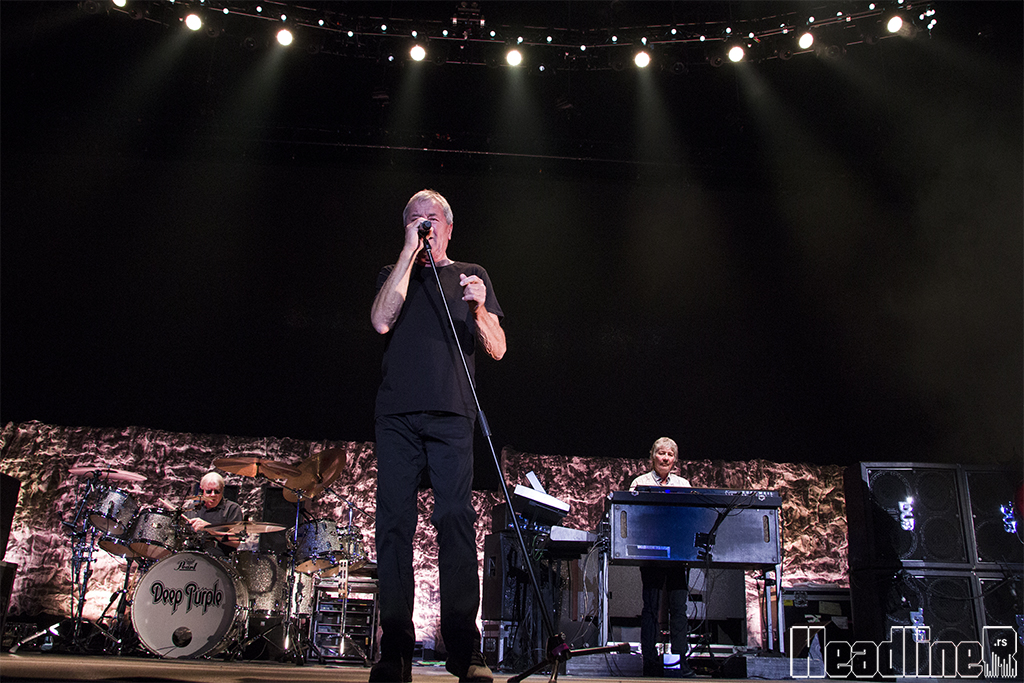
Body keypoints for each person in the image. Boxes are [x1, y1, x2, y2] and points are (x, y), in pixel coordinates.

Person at [369, 189, 506, 683]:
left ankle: (464, 651)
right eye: (414, 219)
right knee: (394, 525)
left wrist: (481, 309)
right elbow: (381, 321)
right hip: (398, 415)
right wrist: (409, 253)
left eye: (431, 218)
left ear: (449, 227)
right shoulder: (394, 274)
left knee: (455, 520)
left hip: (452, 414)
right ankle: (395, 651)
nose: (424, 224)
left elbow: (498, 349)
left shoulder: (471, 274)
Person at [629, 437, 695, 678]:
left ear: (675, 459)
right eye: (661, 453)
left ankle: (680, 662)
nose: (665, 458)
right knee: (650, 608)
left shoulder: (683, 484)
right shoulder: (640, 482)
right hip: (651, 554)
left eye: (670, 454)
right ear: (652, 456)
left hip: (678, 555)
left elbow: (691, 517)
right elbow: (633, 516)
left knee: (679, 609)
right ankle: (649, 662)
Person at [184, 471, 243, 557]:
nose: (213, 495)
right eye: (209, 491)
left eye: (217, 491)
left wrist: (209, 528)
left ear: (222, 490)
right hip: (193, 557)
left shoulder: (232, 509)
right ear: (202, 490)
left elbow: (235, 542)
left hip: (218, 560)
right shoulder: (193, 507)